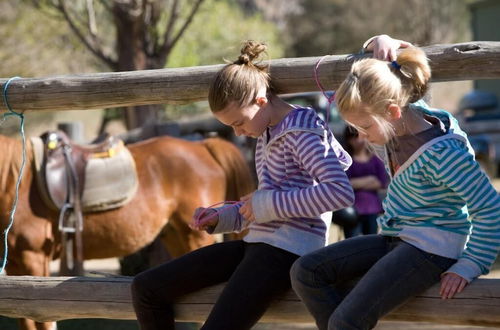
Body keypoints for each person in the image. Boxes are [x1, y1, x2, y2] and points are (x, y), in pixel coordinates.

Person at [130, 36, 406, 330]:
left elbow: (339, 193)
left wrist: (265, 204)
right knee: (146, 289)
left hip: (288, 252)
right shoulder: (264, 133)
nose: (238, 133)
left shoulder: (302, 129)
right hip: (257, 244)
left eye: (238, 122)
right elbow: (267, 204)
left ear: (261, 101)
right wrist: (224, 218)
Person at [290, 46, 500, 330]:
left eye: (364, 127)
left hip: (433, 250)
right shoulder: (395, 124)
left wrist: (470, 264)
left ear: (392, 111)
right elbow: (397, 73)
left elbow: (490, 208)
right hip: (396, 237)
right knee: (306, 271)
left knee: (345, 321)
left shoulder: (444, 154)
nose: (362, 137)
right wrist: (386, 41)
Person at [342, 125, 388, 238]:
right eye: (354, 137)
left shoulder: (375, 160)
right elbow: (344, 184)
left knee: (371, 244)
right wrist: (370, 179)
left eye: (361, 136)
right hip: (351, 211)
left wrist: (356, 183)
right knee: (351, 245)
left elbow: (382, 182)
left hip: (372, 209)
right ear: (349, 139)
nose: (359, 140)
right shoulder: (346, 161)